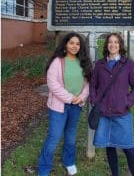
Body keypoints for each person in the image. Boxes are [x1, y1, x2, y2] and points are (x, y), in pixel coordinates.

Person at [37, 32, 92, 176]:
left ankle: (69, 161)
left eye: (78, 44)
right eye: (71, 43)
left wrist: (80, 98)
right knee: (54, 137)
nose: (74, 46)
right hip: (58, 107)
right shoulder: (58, 61)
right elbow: (53, 84)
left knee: (70, 136)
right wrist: (70, 98)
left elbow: (88, 84)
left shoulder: (83, 62)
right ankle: (43, 168)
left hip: (76, 106)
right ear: (65, 44)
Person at [90, 33, 134, 176]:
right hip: (104, 113)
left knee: (128, 148)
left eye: (116, 42)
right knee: (109, 146)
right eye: (110, 42)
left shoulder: (128, 64)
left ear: (120, 45)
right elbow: (93, 85)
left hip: (121, 113)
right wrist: (94, 100)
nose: (113, 45)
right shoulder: (100, 64)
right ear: (106, 45)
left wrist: (128, 101)